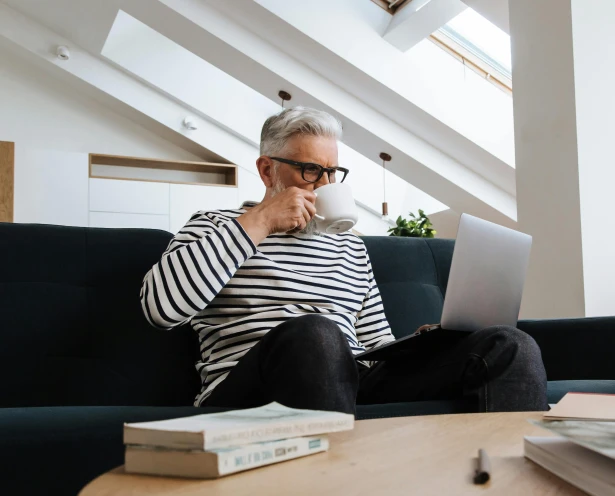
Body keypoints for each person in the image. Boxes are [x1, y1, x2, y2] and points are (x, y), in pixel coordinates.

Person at [140, 106, 547, 414]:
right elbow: (161, 309)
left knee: (508, 345)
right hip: (250, 389)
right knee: (316, 335)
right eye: (311, 171)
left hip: (352, 381)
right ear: (267, 171)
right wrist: (261, 220)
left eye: (333, 173)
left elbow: (375, 344)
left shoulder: (349, 247)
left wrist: (425, 344)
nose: (325, 185)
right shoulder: (217, 227)